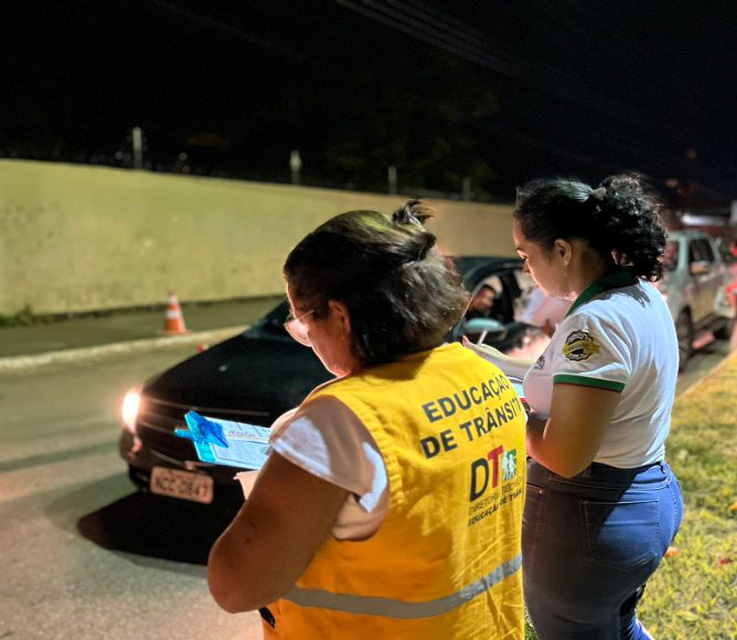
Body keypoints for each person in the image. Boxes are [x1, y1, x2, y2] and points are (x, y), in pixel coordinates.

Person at [207, 202, 527, 639]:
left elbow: (235, 586)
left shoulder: (338, 420)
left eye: (303, 321)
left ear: (339, 317)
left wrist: (276, 479)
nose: (306, 339)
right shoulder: (487, 376)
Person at [469, 175, 683, 639]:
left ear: (563, 250)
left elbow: (565, 455)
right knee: (617, 627)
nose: (526, 271)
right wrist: (499, 363)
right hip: (644, 493)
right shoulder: (639, 295)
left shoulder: (595, 321)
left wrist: (506, 410)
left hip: (593, 519)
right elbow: (578, 383)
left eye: (527, 256)